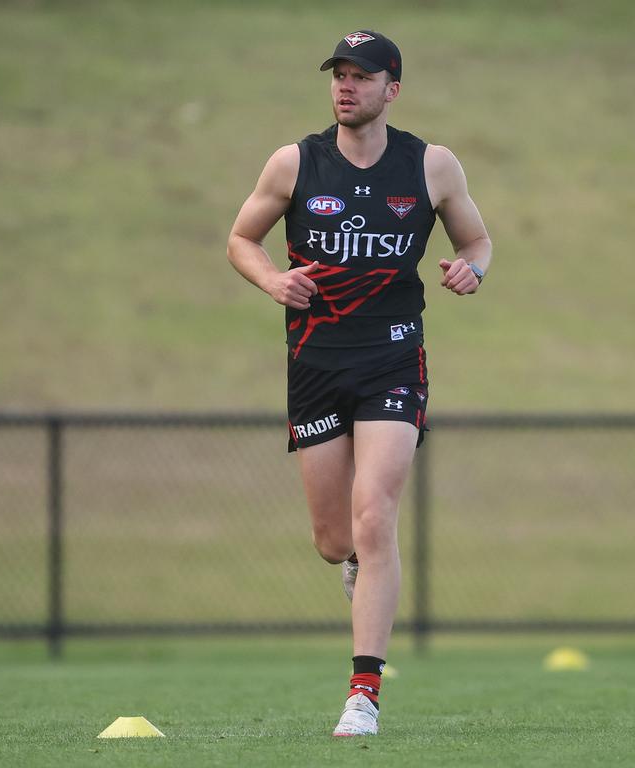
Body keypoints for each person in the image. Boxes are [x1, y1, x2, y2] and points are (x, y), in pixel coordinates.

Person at [226, 29, 492, 737]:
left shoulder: (430, 166)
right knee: (333, 537)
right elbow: (240, 239)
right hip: (315, 362)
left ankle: (363, 694)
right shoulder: (294, 163)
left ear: (391, 89)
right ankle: (352, 566)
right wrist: (272, 280)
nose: (346, 86)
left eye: (361, 76)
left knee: (376, 515)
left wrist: (475, 268)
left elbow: (477, 240)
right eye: (339, 75)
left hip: (393, 359)